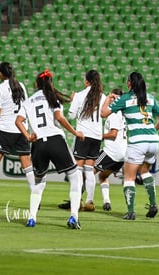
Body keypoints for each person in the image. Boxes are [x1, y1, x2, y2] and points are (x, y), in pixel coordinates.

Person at [15, 69, 84, 229]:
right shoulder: (52, 98)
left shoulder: (29, 101)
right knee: (75, 177)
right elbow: (59, 117)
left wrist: (27, 136)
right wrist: (74, 132)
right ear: (50, 83)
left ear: (36, 84)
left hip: (38, 143)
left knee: (39, 182)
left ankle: (32, 218)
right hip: (55, 140)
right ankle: (73, 216)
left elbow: (18, 121)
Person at [101, 71, 159, 220]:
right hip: (153, 141)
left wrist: (108, 99)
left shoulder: (124, 99)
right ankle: (153, 204)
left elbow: (103, 113)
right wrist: (153, 130)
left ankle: (130, 212)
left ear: (129, 83)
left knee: (129, 177)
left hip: (137, 142)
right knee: (145, 172)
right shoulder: (149, 98)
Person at [0, 61, 35, 212]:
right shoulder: (20, 86)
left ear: (1, 74)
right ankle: (35, 195)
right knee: (27, 164)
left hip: (6, 128)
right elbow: (27, 107)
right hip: (21, 128)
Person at [68, 69, 106, 211]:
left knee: (78, 169)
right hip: (96, 136)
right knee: (89, 170)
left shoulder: (79, 95)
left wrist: (72, 100)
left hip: (83, 135)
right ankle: (90, 201)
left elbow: (71, 116)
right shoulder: (103, 96)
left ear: (86, 81)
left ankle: (77, 201)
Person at [93, 88, 127, 211]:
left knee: (87, 174)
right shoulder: (123, 113)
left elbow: (113, 134)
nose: (111, 99)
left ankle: (83, 201)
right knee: (103, 176)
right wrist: (108, 98)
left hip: (111, 152)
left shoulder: (115, 113)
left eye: (114, 98)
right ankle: (106, 201)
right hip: (122, 154)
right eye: (111, 97)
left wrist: (99, 136)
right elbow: (103, 112)